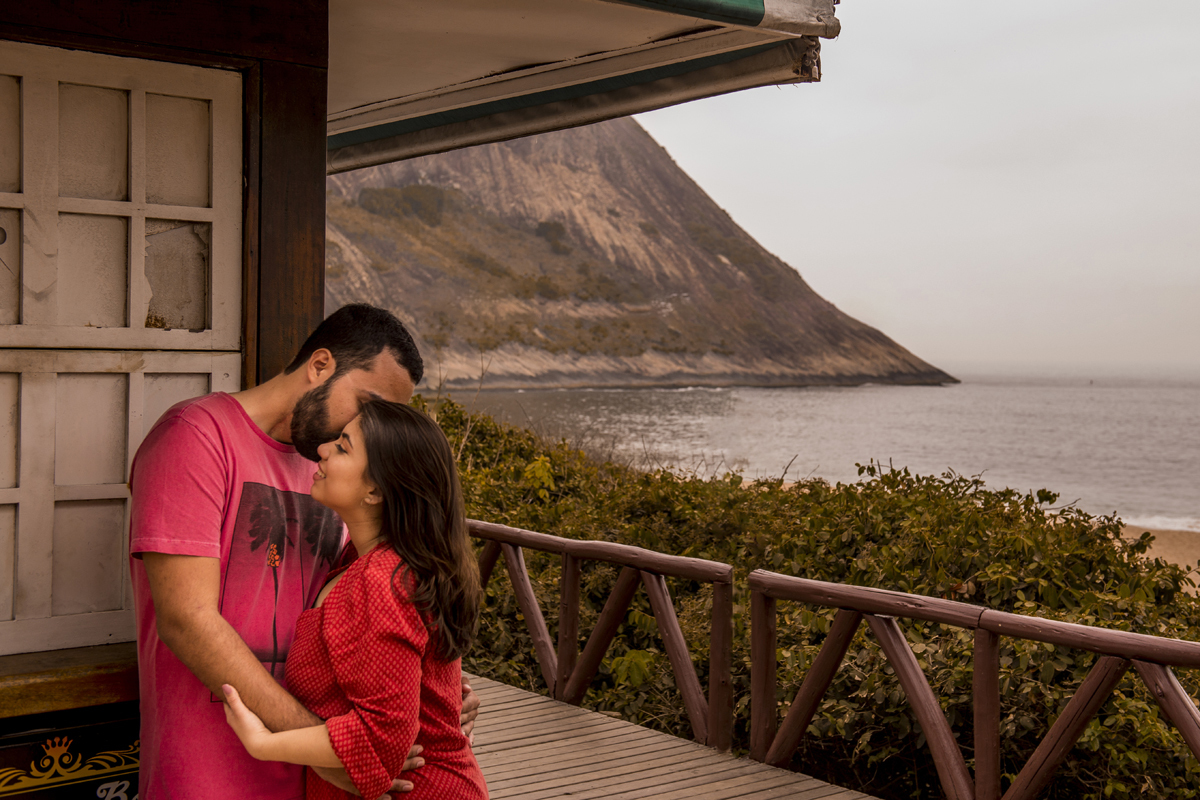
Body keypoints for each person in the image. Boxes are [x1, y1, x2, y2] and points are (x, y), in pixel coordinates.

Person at [129, 304, 480, 798]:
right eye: (366, 402)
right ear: (320, 366)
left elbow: (381, 601)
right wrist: (333, 749)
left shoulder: (337, 473)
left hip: (316, 771)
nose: (366, 427)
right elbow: (187, 619)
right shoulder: (195, 437)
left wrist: (429, 688)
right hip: (215, 761)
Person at [221, 401, 488, 800]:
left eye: (343, 447)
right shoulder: (365, 563)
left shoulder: (381, 578)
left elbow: (383, 736)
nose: (322, 450)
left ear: (376, 490)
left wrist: (264, 743)